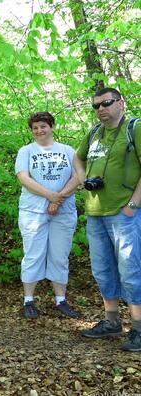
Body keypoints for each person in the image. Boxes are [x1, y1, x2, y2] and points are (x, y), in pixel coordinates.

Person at [74, 88, 141, 352]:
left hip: (125, 214)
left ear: (121, 103)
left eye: (106, 103)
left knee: (131, 271)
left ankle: (137, 328)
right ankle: (111, 321)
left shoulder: (134, 128)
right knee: (102, 269)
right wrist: (82, 179)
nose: (101, 109)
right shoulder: (94, 134)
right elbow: (77, 158)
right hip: (96, 214)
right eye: (96, 106)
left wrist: (133, 205)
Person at [15, 112, 81, 319]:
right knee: (33, 254)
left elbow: (78, 175)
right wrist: (50, 196)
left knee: (60, 256)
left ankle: (61, 300)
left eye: (43, 126)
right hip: (33, 212)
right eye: (35, 128)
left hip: (64, 212)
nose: (39, 131)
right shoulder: (26, 151)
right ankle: (29, 300)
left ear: (52, 126)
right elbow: (24, 178)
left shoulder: (68, 151)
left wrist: (58, 199)